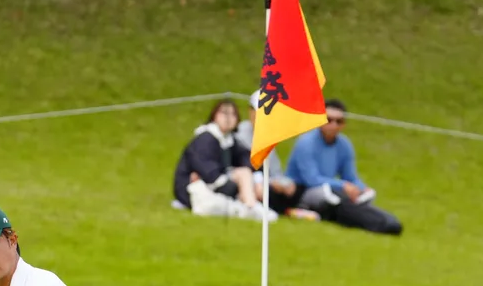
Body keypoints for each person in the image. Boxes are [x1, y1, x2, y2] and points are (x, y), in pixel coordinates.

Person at [285, 99, 403, 236]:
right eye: (329, 120)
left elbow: (350, 176)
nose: (333, 125)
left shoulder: (344, 145)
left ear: (344, 124)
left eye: (339, 121)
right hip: (302, 191)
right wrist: (343, 186)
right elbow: (311, 179)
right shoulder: (306, 143)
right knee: (330, 195)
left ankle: (384, 221)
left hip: (331, 189)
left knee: (358, 196)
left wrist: (361, 188)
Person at [171, 99, 274, 221]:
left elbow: (246, 157)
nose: (228, 118)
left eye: (232, 114)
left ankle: (251, 205)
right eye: (224, 113)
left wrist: (255, 177)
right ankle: (251, 206)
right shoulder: (206, 139)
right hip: (193, 187)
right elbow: (208, 171)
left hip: (216, 184)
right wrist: (232, 185)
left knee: (245, 174)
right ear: (215, 115)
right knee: (242, 176)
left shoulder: (229, 140)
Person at [236, 89, 317, 220]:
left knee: (295, 188)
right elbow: (244, 166)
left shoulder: (268, 136)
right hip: (248, 182)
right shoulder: (240, 134)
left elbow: (275, 171)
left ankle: (291, 209)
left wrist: (285, 183)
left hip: (268, 183)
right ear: (251, 112)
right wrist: (272, 183)